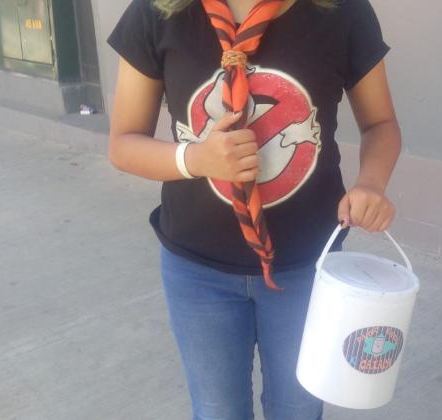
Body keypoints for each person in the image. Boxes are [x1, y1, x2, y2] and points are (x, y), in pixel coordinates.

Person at [107, 0, 401, 418]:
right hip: (197, 271)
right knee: (217, 411)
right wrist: (196, 159)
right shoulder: (158, 12)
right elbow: (123, 143)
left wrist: (371, 183)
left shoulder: (342, 11)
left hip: (306, 268)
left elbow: (381, 124)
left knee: (298, 409)